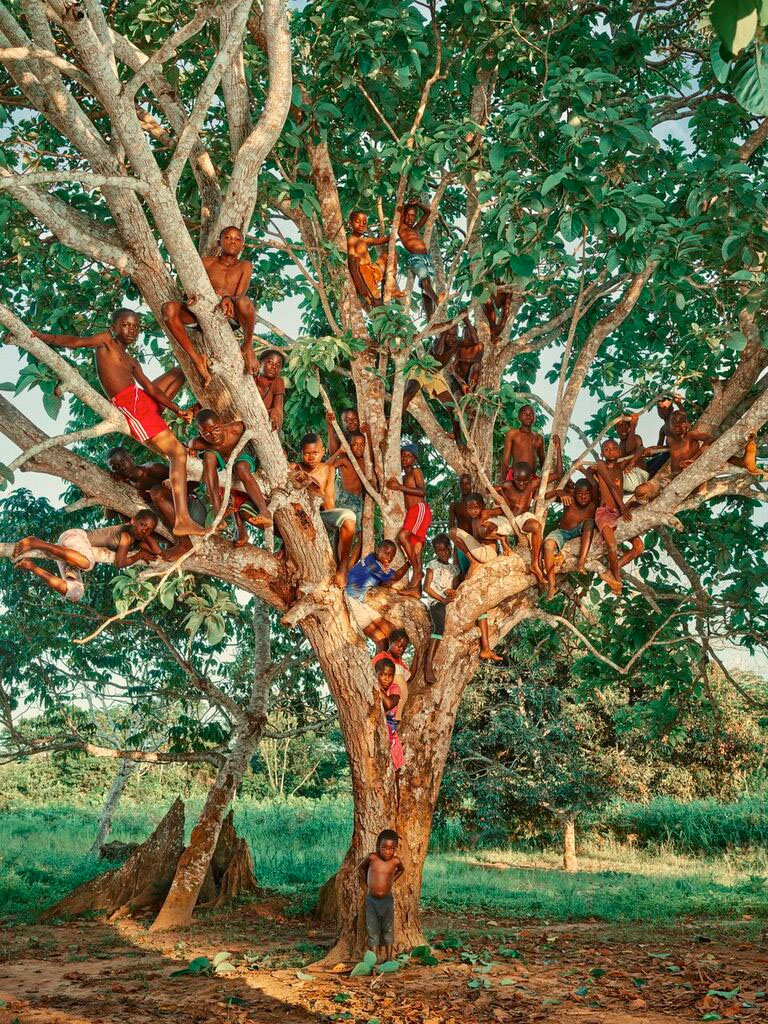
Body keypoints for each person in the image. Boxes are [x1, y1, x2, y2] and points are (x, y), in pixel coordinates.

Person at [33, 309, 203, 539]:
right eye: (126, 325)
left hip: (140, 398)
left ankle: (189, 407)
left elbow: (151, 389)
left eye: (136, 326)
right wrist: (43, 337)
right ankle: (183, 519)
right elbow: (76, 342)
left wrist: (178, 410)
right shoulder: (105, 342)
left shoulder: (131, 361)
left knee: (180, 371)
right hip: (130, 406)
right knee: (178, 454)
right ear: (113, 327)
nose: (132, 330)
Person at [161, 225, 256, 382]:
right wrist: (192, 299)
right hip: (201, 314)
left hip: (230, 315)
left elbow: (240, 294)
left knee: (245, 303)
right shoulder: (205, 262)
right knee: (168, 309)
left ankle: (247, 347)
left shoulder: (244, 265)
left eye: (237, 239)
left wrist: (229, 298)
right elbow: (192, 289)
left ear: (242, 246)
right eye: (228, 238)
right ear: (219, 242)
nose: (233, 241)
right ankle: (197, 359)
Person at [12, 512, 160, 603]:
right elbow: (119, 563)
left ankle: (30, 566)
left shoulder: (136, 539)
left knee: (75, 593)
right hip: (75, 537)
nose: (145, 530)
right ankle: (37, 542)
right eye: (143, 525)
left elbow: (158, 552)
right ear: (133, 521)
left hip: (72, 555)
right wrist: (140, 555)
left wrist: (146, 537)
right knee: (88, 563)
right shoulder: (126, 535)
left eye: (149, 530)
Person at [106, 446, 207, 559]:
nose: (121, 468)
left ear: (131, 457)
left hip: (193, 509)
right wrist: (112, 485)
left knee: (156, 492)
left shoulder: (151, 469)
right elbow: (109, 516)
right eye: (115, 467)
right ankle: (172, 542)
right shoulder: (126, 484)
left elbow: (192, 483)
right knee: (126, 516)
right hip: (174, 523)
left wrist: (162, 492)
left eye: (123, 462)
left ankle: (185, 543)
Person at [189, 409, 272, 542]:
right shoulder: (199, 443)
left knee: (240, 468)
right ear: (200, 434)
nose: (213, 435)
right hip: (224, 466)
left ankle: (264, 511)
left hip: (243, 459)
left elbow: (259, 426)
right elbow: (190, 445)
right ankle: (218, 515)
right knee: (209, 456)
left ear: (221, 423)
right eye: (206, 433)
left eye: (216, 429)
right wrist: (189, 450)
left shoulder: (236, 429)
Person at [577, 439, 647, 594]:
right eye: (606, 449)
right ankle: (617, 578)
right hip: (605, 512)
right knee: (612, 546)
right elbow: (610, 485)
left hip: (618, 514)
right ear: (602, 453)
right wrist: (623, 507)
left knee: (639, 547)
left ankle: (611, 569)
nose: (611, 451)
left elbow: (641, 447)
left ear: (619, 452)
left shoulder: (621, 467)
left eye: (614, 448)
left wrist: (632, 462)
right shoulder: (601, 465)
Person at [294, 433, 357, 587]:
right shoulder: (294, 467)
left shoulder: (328, 469)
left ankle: (342, 567)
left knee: (349, 518)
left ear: (322, 452)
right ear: (301, 453)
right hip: (296, 516)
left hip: (319, 515)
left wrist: (317, 491)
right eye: (307, 454)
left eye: (315, 453)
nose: (311, 457)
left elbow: (329, 505)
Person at [449, 492, 504, 663]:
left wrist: (499, 496)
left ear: (482, 506)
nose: (473, 511)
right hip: (483, 555)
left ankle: (473, 562)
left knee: (452, 532)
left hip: (487, 555)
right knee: (481, 604)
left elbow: (502, 510)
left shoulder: (485, 514)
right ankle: (486, 648)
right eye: (469, 508)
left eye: (476, 507)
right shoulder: (473, 521)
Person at [634, 411, 715, 504]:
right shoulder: (670, 439)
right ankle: (643, 502)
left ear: (687, 424)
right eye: (673, 421)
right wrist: (652, 449)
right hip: (674, 478)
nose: (677, 423)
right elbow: (666, 448)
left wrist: (693, 459)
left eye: (681, 420)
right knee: (640, 491)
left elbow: (710, 438)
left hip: (692, 474)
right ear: (669, 425)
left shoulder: (691, 435)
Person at [344, 540, 411, 648]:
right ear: (378, 549)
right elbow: (396, 576)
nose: (389, 558)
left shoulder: (371, 558)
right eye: (387, 553)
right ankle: (381, 664)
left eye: (392, 556)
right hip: (351, 601)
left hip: (359, 601)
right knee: (381, 641)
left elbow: (384, 581)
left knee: (392, 631)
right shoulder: (374, 566)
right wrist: (409, 562)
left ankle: (389, 661)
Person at [387, 444, 432, 596]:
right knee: (416, 549)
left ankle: (418, 571)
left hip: (419, 509)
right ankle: (416, 591)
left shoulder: (415, 472)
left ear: (415, 459)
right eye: (403, 455)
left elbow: (422, 492)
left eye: (409, 456)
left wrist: (399, 487)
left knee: (402, 536)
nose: (405, 458)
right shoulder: (403, 476)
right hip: (411, 513)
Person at [542, 478, 597, 600]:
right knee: (548, 545)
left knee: (589, 522)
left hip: (580, 531)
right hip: (563, 532)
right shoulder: (569, 499)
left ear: (591, 494)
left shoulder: (593, 505)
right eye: (580, 494)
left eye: (586, 494)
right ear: (574, 493)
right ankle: (552, 585)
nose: (583, 497)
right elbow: (545, 496)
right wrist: (559, 492)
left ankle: (581, 562)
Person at [358, 828, 404, 963]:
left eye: (391, 849)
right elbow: (360, 868)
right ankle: (374, 959)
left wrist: (391, 880)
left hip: (387, 900)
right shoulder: (372, 857)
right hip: (371, 900)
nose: (387, 852)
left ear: (395, 848)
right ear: (378, 845)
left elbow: (402, 870)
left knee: (388, 928)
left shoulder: (395, 861)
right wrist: (367, 882)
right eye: (384, 848)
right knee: (372, 929)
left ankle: (389, 958)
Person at [327, 427, 370, 565]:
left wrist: (368, 433)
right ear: (349, 446)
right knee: (344, 535)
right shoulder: (345, 460)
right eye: (355, 444)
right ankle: (341, 567)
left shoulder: (365, 461)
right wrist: (340, 451)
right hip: (346, 499)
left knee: (362, 536)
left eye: (361, 444)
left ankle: (349, 567)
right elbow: (326, 467)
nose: (358, 447)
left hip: (359, 501)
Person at [422, 533, 459, 684]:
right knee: (439, 628)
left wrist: (452, 592)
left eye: (445, 550)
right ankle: (428, 664)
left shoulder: (453, 569)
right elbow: (426, 587)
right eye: (438, 551)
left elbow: (455, 587)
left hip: (449, 602)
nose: (442, 553)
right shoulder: (432, 565)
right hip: (436, 602)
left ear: (450, 549)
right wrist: (442, 599)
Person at [398, 199, 444, 316]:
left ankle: (430, 318)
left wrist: (417, 203)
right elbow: (398, 210)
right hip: (415, 258)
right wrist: (404, 204)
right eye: (407, 216)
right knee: (425, 280)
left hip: (427, 258)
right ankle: (437, 299)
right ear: (403, 216)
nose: (410, 218)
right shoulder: (401, 228)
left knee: (426, 290)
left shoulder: (415, 229)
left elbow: (428, 213)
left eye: (413, 216)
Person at [346, 210, 403, 306]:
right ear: (350, 223)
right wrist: (360, 286)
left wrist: (398, 225)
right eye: (357, 221)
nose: (361, 225)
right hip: (364, 274)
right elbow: (352, 265)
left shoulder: (363, 240)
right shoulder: (351, 240)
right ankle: (380, 313)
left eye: (364, 222)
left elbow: (383, 239)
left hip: (372, 270)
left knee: (390, 256)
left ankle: (391, 287)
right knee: (377, 303)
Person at [372, 629, 412, 721]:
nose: (401, 649)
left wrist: (418, 655)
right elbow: (371, 675)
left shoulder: (399, 662)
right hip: (386, 698)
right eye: (399, 646)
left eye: (404, 648)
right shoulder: (381, 657)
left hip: (396, 703)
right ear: (391, 642)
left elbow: (410, 676)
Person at [500, 404, 546, 481]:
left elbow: (543, 461)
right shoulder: (512, 434)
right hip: (515, 477)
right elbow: (505, 460)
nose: (528, 416)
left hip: (531, 478)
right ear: (519, 417)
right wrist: (502, 481)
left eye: (531, 414)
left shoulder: (539, 438)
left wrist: (544, 480)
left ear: (534, 418)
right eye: (524, 414)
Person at [448, 473, 475, 579]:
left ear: (472, 485)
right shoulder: (454, 505)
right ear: (458, 485)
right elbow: (451, 527)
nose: (464, 486)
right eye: (462, 483)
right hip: (461, 543)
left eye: (467, 483)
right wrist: (455, 549)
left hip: (476, 540)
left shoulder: (477, 502)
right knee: (463, 574)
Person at [616, 413, 650, 493]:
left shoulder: (636, 438)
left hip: (637, 477)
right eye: (619, 427)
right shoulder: (619, 445)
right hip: (627, 480)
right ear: (616, 429)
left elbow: (631, 449)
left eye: (626, 426)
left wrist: (633, 425)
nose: (623, 428)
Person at [254, 349, 286, 431]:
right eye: (270, 362)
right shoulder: (250, 378)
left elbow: (278, 411)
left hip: (263, 427)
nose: (274, 367)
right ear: (260, 362)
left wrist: (275, 413)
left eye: (278, 366)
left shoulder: (278, 382)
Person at [450, 319, 483, 396]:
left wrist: (460, 359)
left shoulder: (479, 345)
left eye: (471, 334)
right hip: (459, 378)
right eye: (466, 334)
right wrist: (461, 383)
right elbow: (454, 366)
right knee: (457, 397)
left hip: (471, 378)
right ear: (463, 335)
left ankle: (470, 392)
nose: (468, 336)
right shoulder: (459, 346)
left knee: (476, 365)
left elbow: (477, 361)